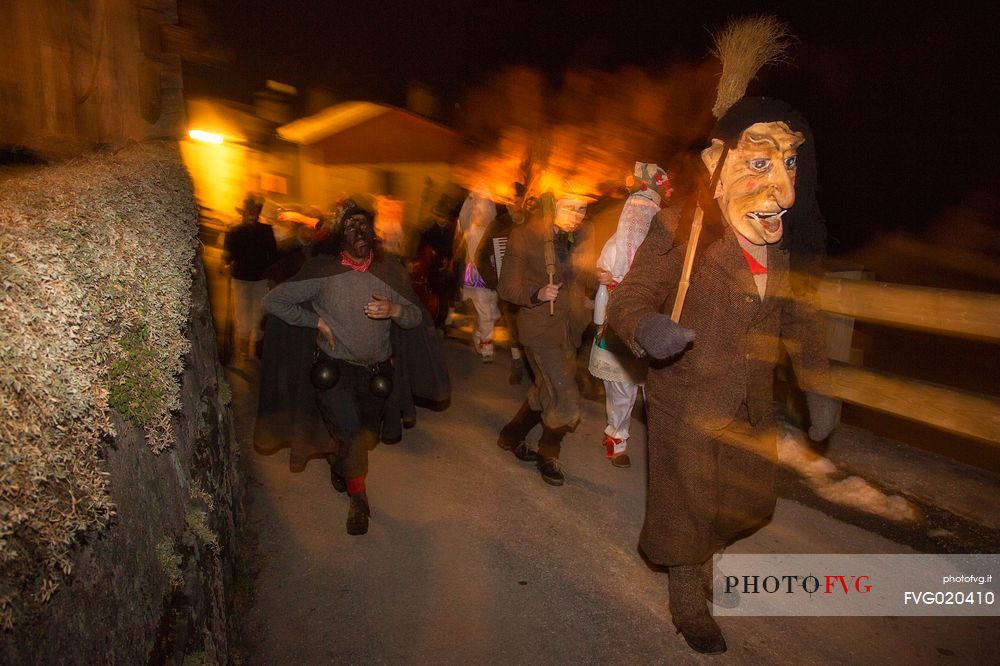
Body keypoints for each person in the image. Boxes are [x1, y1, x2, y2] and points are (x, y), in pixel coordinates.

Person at [607, 97, 839, 653]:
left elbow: (802, 320)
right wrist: (647, 328)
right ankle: (689, 597)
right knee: (687, 503)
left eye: (789, 166)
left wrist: (818, 386)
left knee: (746, 501)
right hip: (686, 394)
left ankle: (702, 555)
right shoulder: (679, 230)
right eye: (759, 163)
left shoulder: (786, 250)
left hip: (751, 400)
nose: (780, 187)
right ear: (718, 164)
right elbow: (627, 300)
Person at [260, 198, 423, 536]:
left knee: (365, 435)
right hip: (335, 370)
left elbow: (415, 316)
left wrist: (395, 310)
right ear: (339, 236)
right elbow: (273, 301)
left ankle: (340, 461)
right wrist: (313, 319)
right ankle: (358, 501)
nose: (359, 231)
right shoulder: (324, 274)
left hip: (377, 373)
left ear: (373, 232)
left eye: (363, 224)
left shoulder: (388, 271)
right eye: (350, 226)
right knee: (352, 436)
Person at [496, 193, 595, 486]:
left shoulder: (580, 235)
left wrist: (598, 273)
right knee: (564, 394)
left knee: (545, 386)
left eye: (582, 209)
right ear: (553, 207)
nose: (577, 215)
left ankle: (510, 436)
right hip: (539, 329)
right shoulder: (525, 235)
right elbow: (506, 287)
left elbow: (584, 279)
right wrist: (537, 293)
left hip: (569, 326)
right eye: (570, 208)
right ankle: (548, 452)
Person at [590, 163, 672, 468]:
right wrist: (604, 279)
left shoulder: (662, 249)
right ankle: (617, 438)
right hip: (619, 327)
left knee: (653, 387)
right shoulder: (613, 245)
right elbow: (602, 278)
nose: (639, 220)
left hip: (651, 325)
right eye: (634, 213)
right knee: (621, 387)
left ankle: (662, 445)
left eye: (646, 212)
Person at [476, 182, 529, 384]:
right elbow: (481, 256)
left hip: (533, 286)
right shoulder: (499, 225)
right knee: (513, 327)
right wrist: (494, 282)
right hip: (508, 287)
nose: (514, 208)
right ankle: (517, 362)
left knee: (532, 329)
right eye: (510, 204)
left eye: (518, 203)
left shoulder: (535, 223)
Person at [222, 193, 278, 360]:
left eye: (254, 211)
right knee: (242, 315)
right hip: (240, 279)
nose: (251, 214)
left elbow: (273, 255)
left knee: (259, 315)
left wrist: (272, 277)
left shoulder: (266, 231)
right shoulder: (234, 231)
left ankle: (258, 350)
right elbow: (228, 256)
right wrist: (226, 264)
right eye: (249, 211)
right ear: (243, 213)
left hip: (260, 279)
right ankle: (244, 350)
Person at [456, 185, 500, 362]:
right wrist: (471, 197)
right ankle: (486, 347)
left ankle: (479, 333)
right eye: (478, 211)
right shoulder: (469, 230)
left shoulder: (492, 231)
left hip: (491, 275)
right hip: (476, 276)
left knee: (493, 312)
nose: (481, 215)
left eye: (485, 211)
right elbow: (463, 217)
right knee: (486, 313)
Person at [413, 197, 458, 332]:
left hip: (444, 267)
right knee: (432, 293)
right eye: (438, 216)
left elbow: (452, 247)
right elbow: (421, 243)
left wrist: (448, 259)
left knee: (444, 294)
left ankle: (441, 321)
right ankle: (430, 319)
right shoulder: (430, 229)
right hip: (430, 267)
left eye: (443, 217)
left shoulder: (451, 230)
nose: (440, 219)